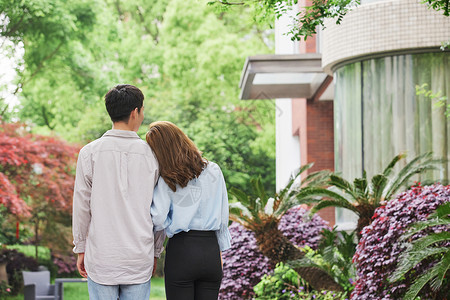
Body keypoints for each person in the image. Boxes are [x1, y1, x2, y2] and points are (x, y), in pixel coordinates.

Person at [72, 84, 164, 300]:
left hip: (102, 256)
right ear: (135, 112)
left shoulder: (89, 153)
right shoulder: (153, 156)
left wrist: (80, 248)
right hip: (138, 257)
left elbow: (81, 206)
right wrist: (156, 251)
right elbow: (159, 209)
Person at [146, 121, 232, 300]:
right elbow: (223, 216)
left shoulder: (167, 177)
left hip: (182, 251)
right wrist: (220, 251)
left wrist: (171, 224)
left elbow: (159, 218)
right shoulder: (214, 170)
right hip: (210, 251)